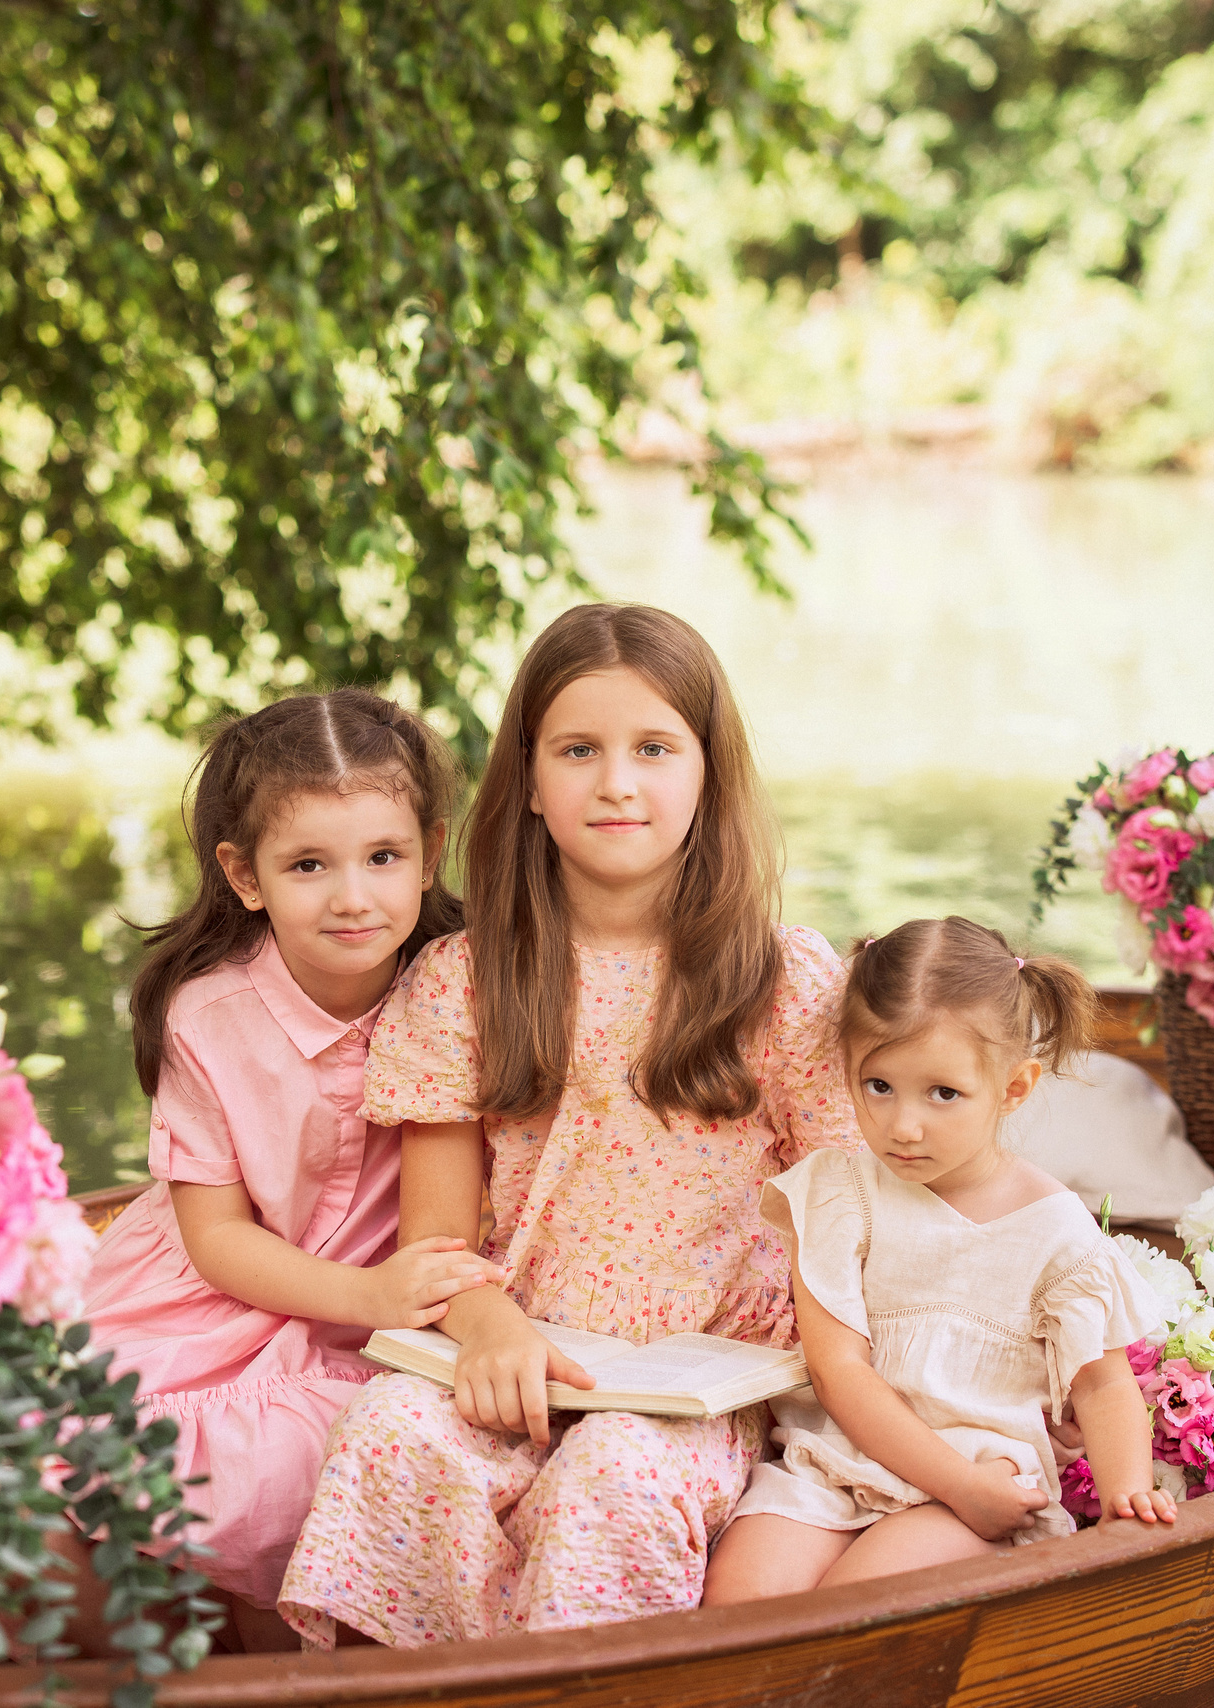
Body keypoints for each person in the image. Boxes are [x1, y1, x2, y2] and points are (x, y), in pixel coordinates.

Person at [277, 603, 858, 1648]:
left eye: (653, 749)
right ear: (532, 784)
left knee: (613, 1476)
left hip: (700, 1374)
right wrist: (490, 1323)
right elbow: (437, 1242)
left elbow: (857, 1212)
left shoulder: (783, 983)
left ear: (707, 775)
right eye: (578, 750)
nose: (617, 783)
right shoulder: (463, 980)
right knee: (389, 1434)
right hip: (520, 1340)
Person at [70, 688, 499, 1650]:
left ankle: (287, 1666)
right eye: (309, 864)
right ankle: (181, 1665)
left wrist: (395, 1299)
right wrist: (365, 1292)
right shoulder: (208, 1015)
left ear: (431, 854)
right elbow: (216, 1236)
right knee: (97, 1457)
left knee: (341, 1457)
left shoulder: (468, 986)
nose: (353, 896)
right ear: (246, 874)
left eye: (384, 858)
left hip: (399, 1300)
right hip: (228, 1289)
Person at [702, 918, 1174, 1606]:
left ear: (1013, 1089)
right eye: (879, 1086)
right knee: (736, 1605)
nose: (903, 1125)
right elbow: (839, 1374)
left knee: (848, 1612)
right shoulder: (840, 1192)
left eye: (942, 1093)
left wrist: (1127, 1497)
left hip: (974, 1490)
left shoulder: (1055, 1228)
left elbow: (1103, 1386)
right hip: (833, 1465)